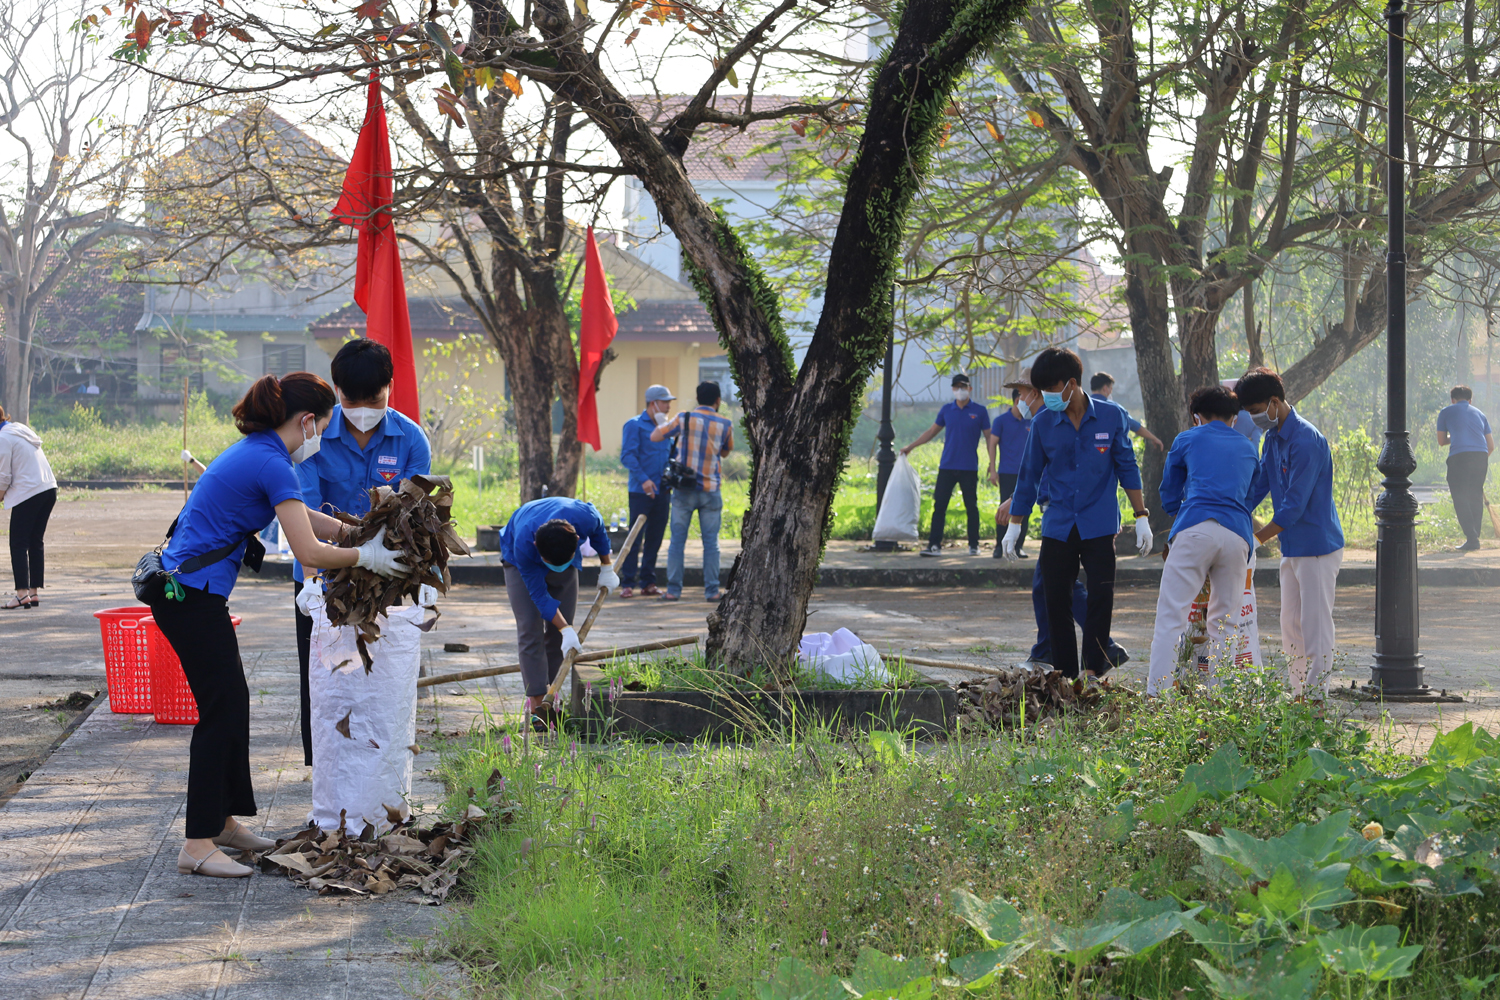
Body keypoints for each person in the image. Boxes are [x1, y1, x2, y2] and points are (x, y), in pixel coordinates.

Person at [149, 372, 411, 878]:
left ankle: (222, 824)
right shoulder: (271, 461)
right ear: (307, 421)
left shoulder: (258, 452)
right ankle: (196, 844)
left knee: (232, 703)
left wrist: (357, 529)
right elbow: (308, 550)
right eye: (324, 425)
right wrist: (368, 556)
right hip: (187, 598)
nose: (320, 437)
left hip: (190, 594)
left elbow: (306, 517)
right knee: (218, 712)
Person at [291, 339, 431, 768]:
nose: (363, 408)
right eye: (352, 399)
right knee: (326, 684)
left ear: (391, 386)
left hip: (388, 582)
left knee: (383, 682)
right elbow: (302, 512)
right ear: (336, 390)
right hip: (323, 580)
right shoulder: (312, 438)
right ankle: (327, 777)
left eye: (374, 398)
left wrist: (418, 578)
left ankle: (381, 771)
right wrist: (314, 582)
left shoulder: (410, 439)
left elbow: (416, 516)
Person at [1002, 347, 1151, 680]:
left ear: (1071, 383)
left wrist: (1141, 516)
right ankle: (1065, 676)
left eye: (1049, 390)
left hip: (1099, 524)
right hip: (1058, 525)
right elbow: (1029, 476)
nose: (1045, 397)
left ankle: (1093, 672)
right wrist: (1015, 524)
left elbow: (1127, 467)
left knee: (1101, 597)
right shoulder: (1043, 423)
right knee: (1056, 601)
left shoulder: (1112, 416)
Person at [1144, 386, 1261, 696]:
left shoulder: (1187, 438)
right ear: (1235, 419)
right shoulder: (1249, 447)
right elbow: (1250, 496)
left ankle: (1158, 695)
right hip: (1237, 536)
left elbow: (1169, 489)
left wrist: (1178, 513)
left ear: (1197, 417)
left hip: (1195, 529)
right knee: (1226, 622)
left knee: (1172, 616)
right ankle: (1220, 697)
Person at [1236, 366, 1345, 700]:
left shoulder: (1306, 439)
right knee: (1291, 625)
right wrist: (1232, 513)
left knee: (1315, 625)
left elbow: (1294, 505)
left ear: (1274, 402)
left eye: (1255, 412)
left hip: (1317, 546)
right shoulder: (1273, 439)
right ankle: (1298, 691)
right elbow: (1260, 486)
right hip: (1293, 546)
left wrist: (1256, 539)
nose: (1254, 419)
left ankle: (1315, 697)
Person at [500, 496, 616, 722]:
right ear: (537, 547)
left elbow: (600, 531)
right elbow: (539, 597)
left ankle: (550, 695)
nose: (555, 569)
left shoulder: (585, 517)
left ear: (578, 542)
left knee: (560, 628)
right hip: (518, 560)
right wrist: (566, 630)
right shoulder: (524, 544)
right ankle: (537, 707)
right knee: (529, 628)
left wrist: (606, 567)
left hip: (560, 547)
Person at [996, 498, 1130, 670]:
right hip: (1073, 513)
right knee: (1046, 585)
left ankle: (1055, 652)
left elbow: (1043, 473)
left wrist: (1017, 500)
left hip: (1068, 516)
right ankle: (1053, 650)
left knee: (1057, 584)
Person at [653, 381, 734, 602]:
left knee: (677, 542)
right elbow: (726, 451)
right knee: (711, 543)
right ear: (718, 401)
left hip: (684, 490)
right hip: (711, 490)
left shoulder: (684, 418)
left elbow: (656, 436)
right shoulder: (725, 423)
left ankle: (673, 591)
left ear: (698, 399)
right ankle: (711, 591)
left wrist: (663, 423)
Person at [902, 373, 991, 557]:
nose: (960, 390)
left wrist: (992, 463)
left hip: (969, 467)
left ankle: (974, 545)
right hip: (947, 466)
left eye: (963, 387)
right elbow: (931, 432)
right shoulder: (946, 410)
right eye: (957, 387)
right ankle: (934, 545)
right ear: (952, 389)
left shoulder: (980, 411)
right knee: (940, 506)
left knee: (971, 506)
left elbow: (990, 437)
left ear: (970, 389)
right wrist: (910, 447)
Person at [618, 384, 679, 597]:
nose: (669, 406)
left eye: (670, 402)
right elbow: (628, 456)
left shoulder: (667, 428)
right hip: (640, 491)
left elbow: (674, 453)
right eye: (665, 402)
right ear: (653, 404)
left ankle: (647, 582)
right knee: (635, 537)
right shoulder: (634, 425)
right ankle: (627, 582)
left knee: (655, 537)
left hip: (663, 490)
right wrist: (644, 480)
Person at [0, 404, 58, 610]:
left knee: (18, 542)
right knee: (35, 541)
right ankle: (33, 593)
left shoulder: (3, 438)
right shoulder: (18, 429)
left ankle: (21, 594)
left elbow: (3, 477)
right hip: (48, 488)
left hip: (30, 492)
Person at [1437, 385, 1494, 553]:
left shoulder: (1446, 412)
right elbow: (1491, 445)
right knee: (1475, 496)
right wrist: (1479, 459)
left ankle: (1472, 537)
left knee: (1460, 496)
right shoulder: (1480, 414)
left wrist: (1454, 435)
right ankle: (1474, 537)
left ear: (1453, 400)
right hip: (1480, 456)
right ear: (1470, 400)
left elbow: (1441, 441)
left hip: (1459, 458)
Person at [988, 380, 1038, 559]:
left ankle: (1018, 547)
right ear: (1018, 400)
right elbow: (992, 444)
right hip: (1007, 471)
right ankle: (999, 546)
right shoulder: (1001, 420)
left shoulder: (1033, 421)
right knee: (1005, 508)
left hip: (1026, 473)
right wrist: (992, 469)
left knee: (1024, 508)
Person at [1090, 372, 1164, 451]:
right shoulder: (1115, 409)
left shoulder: (1081, 407)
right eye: (1110, 389)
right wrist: (1153, 438)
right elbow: (1134, 426)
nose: (1110, 392)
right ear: (1105, 388)